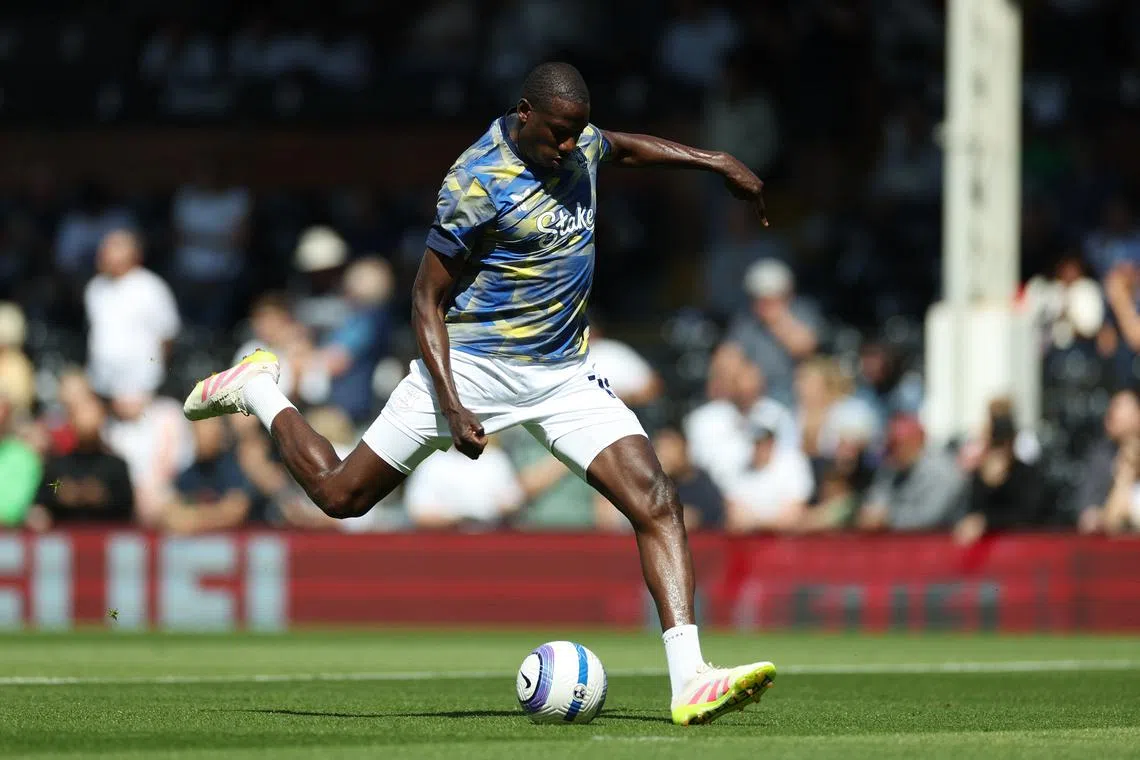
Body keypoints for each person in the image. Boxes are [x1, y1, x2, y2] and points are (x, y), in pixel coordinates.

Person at [183, 61, 774, 725]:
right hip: (470, 364)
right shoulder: (476, 180)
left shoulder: (580, 143)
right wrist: (455, 404)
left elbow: (626, 147)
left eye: (578, 133)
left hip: (561, 373)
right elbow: (426, 300)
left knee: (658, 499)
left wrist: (714, 159)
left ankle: (690, 677)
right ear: (525, 114)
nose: (569, 147)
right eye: (556, 134)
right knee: (340, 495)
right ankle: (261, 389)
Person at [26, 393, 133, 531]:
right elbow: (50, 487)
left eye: (91, 414)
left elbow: (126, 503)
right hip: (63, 540)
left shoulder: (115, 466)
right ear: (71, 420)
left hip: (105, 538)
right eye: (80, 414)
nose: (86, 420)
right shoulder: (58, 465)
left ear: (102, 419)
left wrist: (104, 497)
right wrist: (61, 490)